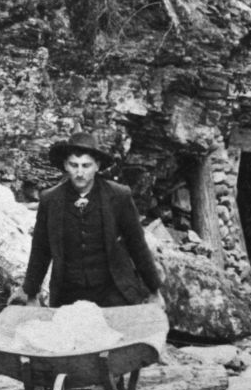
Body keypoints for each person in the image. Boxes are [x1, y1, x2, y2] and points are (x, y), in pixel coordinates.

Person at [11, 132, 163, 308]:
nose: (80, 173)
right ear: (65, 165)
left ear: (97, 166)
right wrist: (31, 293)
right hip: (68, 294)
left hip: (113, 291)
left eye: (86, 165)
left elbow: (137, 245)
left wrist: (154, 290)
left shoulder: (119, 196)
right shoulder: (51, 200)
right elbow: (40, 250)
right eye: (74, 165)